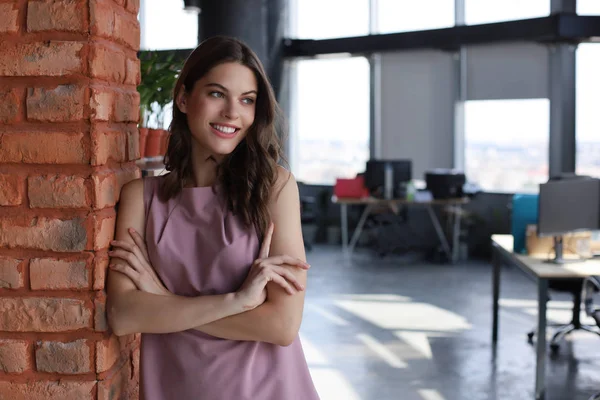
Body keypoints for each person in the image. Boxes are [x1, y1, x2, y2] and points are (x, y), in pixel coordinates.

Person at [106, 36, 320, 400]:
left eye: (247, 100)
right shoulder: (140, 198)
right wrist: (238, 301)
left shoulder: (276, 189)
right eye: (218, 94)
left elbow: (282, 325)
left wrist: (162, 299)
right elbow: (124, 316)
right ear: (185, 98)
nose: (232, 113)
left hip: (267, 390)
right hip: (174, 389)